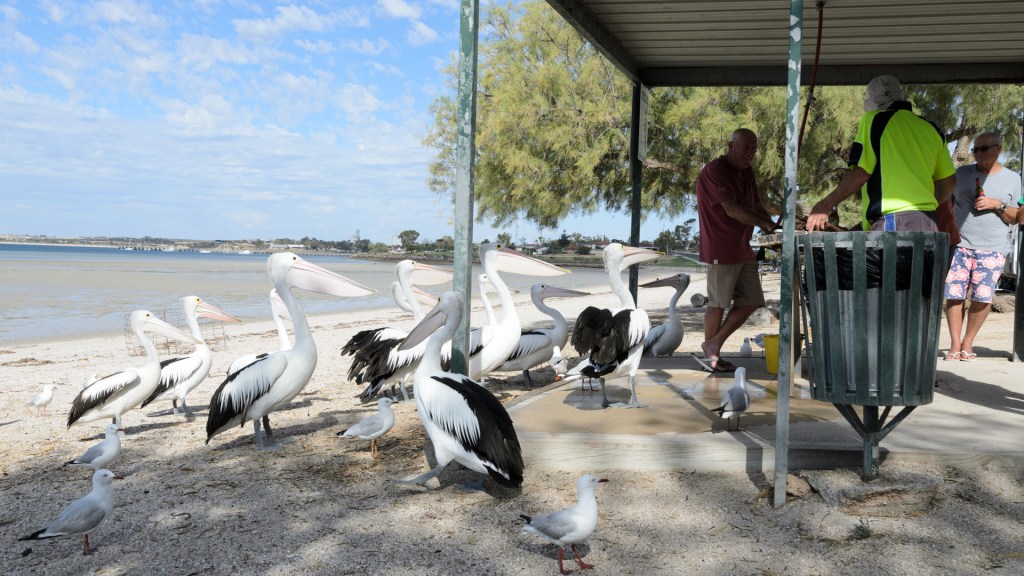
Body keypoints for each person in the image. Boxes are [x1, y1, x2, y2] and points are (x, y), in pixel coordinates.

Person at [806, 75, 956, 232]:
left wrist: (825, 205)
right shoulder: (931, 129)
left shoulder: (874, 120)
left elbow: (861, 172)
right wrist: (926, 206)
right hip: (928, 221)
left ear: (872, 102)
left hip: (894, 221)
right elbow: (949, 180)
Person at [696, 128, 778, 372]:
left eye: (754, 149)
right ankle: (712, 358)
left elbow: (755, 205)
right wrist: (765, 223)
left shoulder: (747, 171)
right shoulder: (714, 171)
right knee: (718, 304)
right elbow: (731, 209)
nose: (750, 153)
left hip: (743, 246)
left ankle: (713, 344)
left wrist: (774, 229)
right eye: (746, 148)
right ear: (730, 146)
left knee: (752, 300)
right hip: (721, 246)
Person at [944, 133, 1021, 361]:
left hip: (992, 247)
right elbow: (947, 203)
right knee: (954, 295)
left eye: (983, 149)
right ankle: (955, 343)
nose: (977, 154)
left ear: (998, 149)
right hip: (961, 244)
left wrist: (996, 204)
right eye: (975, 150)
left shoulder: (1012, 178)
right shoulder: (962, 173)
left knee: (982, 296)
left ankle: (968, 342)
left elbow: (1015, 217)